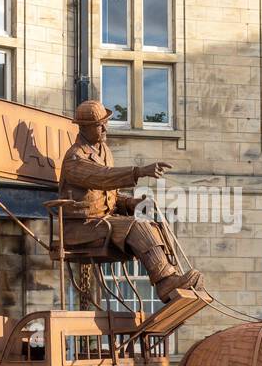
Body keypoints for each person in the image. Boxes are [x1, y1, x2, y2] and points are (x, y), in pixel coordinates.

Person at [57, 100, 202, 303]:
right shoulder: (74, 158)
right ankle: (165, 282)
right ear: (84, 127)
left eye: (105, 122)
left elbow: (111, 197)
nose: (105, 128)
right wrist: (139, 171)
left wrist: (133, 203)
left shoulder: (104, 151)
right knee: (136, 226)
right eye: (100, 125)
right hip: (82, 227)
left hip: (102, 222)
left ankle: (171, 277)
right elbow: (102, 177)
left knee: (153, 224)